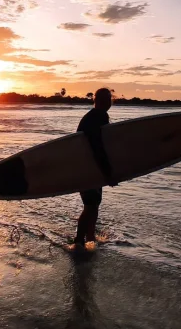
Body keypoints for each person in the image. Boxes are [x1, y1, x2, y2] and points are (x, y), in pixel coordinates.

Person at [75, 87, 117, 246]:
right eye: (105, 99)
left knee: (94, 203)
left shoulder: (93, 115)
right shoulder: (99, 116)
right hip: (88, 169)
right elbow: (97, 147)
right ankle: (79, 241)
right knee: (91, 205)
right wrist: (108, 173)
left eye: (109, 99)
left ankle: (90, 238)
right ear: (97, 100)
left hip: (89, 167)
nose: (108, 102)